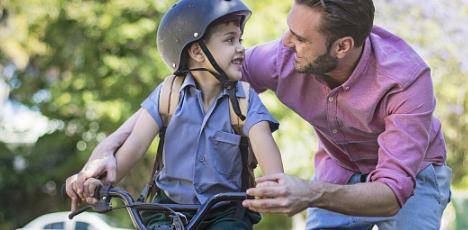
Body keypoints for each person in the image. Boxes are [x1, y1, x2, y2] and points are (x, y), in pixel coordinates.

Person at [67, 0, 452, 229]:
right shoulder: (282, 58)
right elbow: (192, 84)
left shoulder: (406, 80)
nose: (285, 43)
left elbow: (391, 194)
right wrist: (107, 147)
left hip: (411, 177)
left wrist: (310, 192)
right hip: (339, 166)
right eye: (289, 30)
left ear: (342, 46)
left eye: (300, 39)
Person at [67, 0, 284, 229]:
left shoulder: (244, 100)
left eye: (240, 39)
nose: (241, 48)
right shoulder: (168, 94)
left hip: (224, 212)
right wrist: (100, 183)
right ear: (197, 52)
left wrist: (275, 186)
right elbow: (136, 144)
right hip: (169, 209)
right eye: (230, 40)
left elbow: (269, 159)